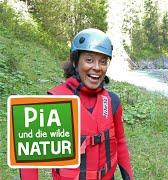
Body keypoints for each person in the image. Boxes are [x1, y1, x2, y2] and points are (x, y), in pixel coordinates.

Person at [20, 28, 133, 180]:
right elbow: (30, 161)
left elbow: (120, 143)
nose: (97, 67)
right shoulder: (55, 101)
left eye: (103, 61)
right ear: (75, 62)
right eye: (89, 60)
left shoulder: (112, 102)